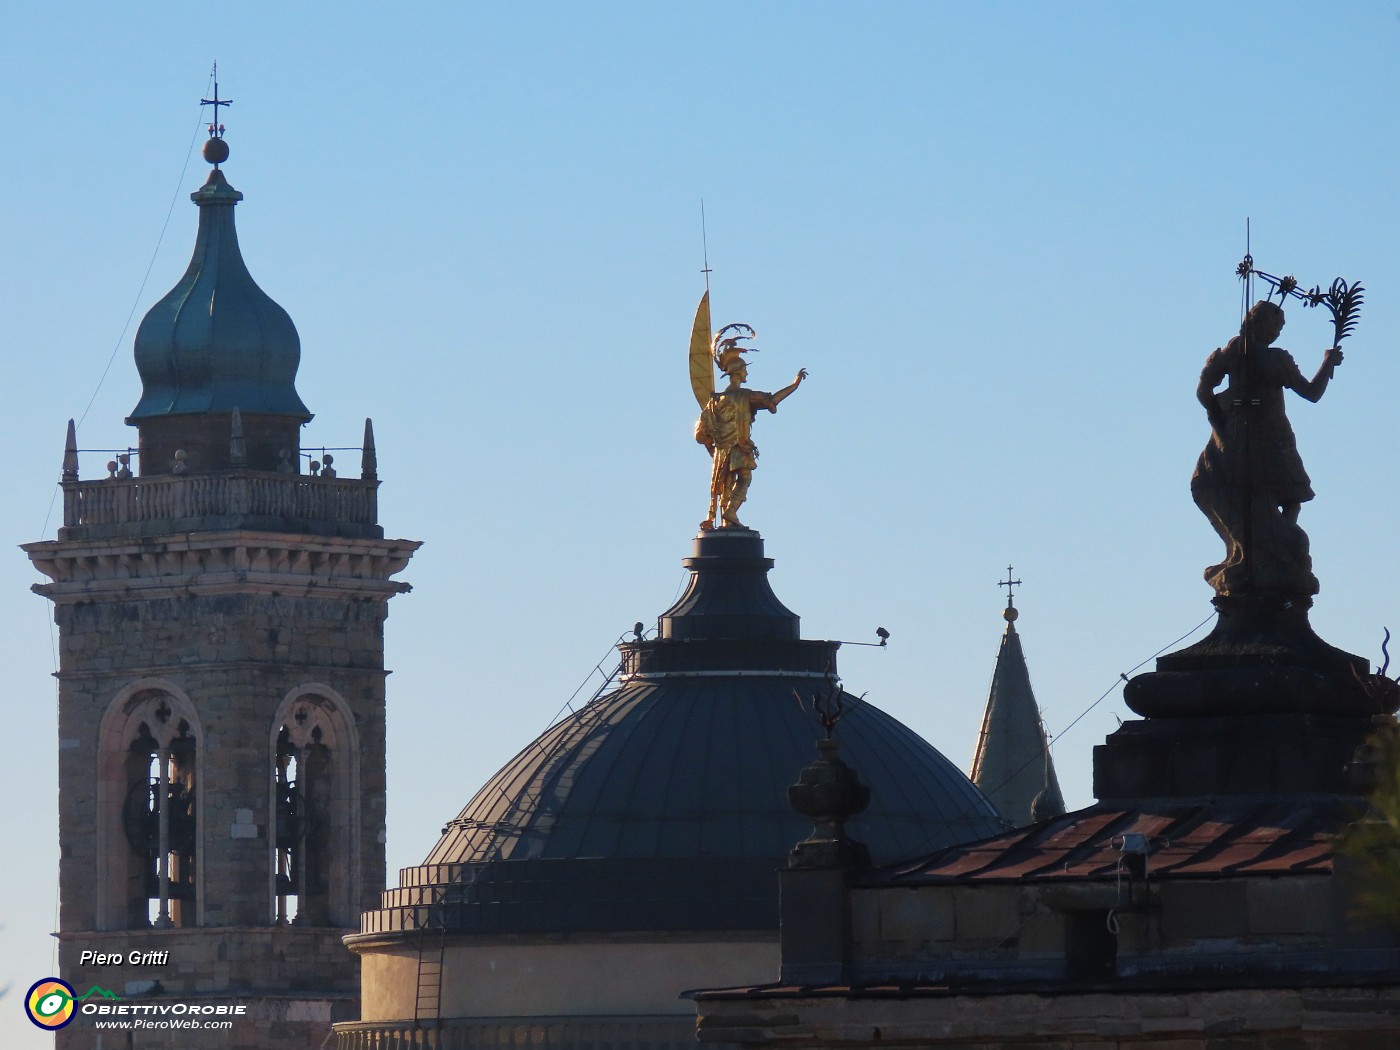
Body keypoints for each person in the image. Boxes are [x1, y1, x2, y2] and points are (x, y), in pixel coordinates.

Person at [1191, 299, 1342, 597]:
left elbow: (1205, 390)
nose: (1276, 333)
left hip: (1261, 434)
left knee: (1287, 496)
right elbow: (1311, 392)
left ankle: (1274, 550)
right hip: (1259, 438)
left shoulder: (1246, 352)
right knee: (1275, 494)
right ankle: (1258, 550)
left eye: (1279, 329)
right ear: (1256, 323)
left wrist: (1223, 408)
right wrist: (1328, 362)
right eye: (1274, 326)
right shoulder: (1254, 354)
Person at [695, 346, 806, 529]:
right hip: (739, 446)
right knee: (745, 477)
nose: (746, 373)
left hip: (721, 451)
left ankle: (728, 519)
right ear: (739, 372)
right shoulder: (745, 396)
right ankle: (730, 512)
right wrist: (794, 385)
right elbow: (772, 400)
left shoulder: (714, 401)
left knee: (726, 485)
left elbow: (700, 433)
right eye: (745, 369)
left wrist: (713, 448)